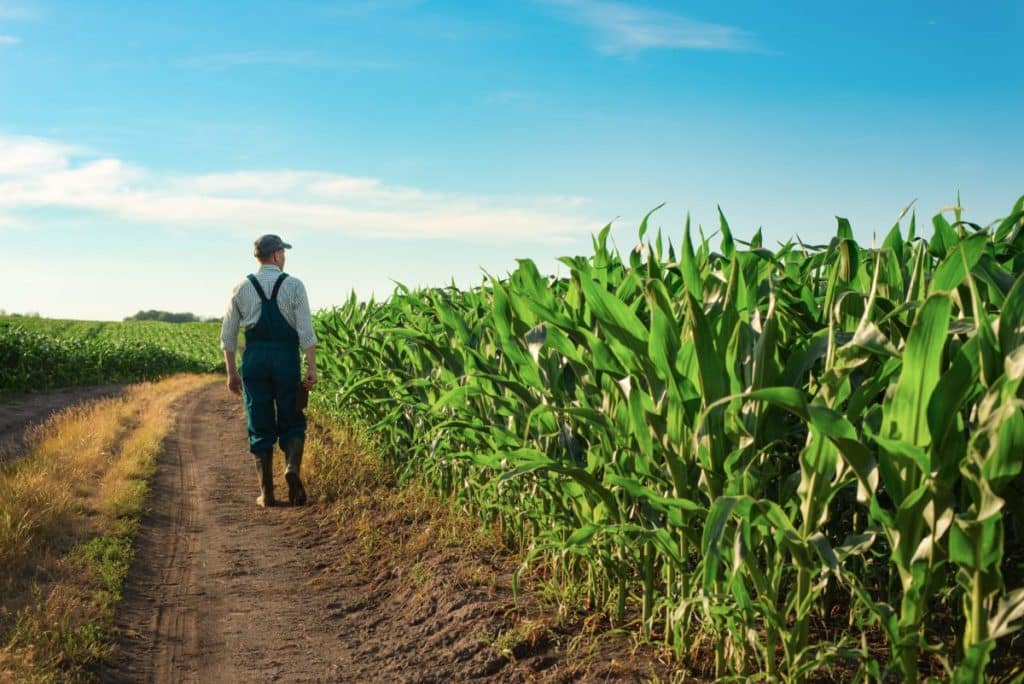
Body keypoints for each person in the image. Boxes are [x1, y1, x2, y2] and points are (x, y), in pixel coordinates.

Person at [221, 234, 317, 507]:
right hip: (286, 357)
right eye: (283, 253)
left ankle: (268, 494)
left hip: (255, 359)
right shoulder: (295, 286)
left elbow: (228, 336)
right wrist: (311, 367)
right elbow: (306, 332)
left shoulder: (241, 287)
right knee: (292, 416)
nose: (284, 257)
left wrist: (231, 372)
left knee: (259, 421)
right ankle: (292, 469)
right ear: (276, 255)